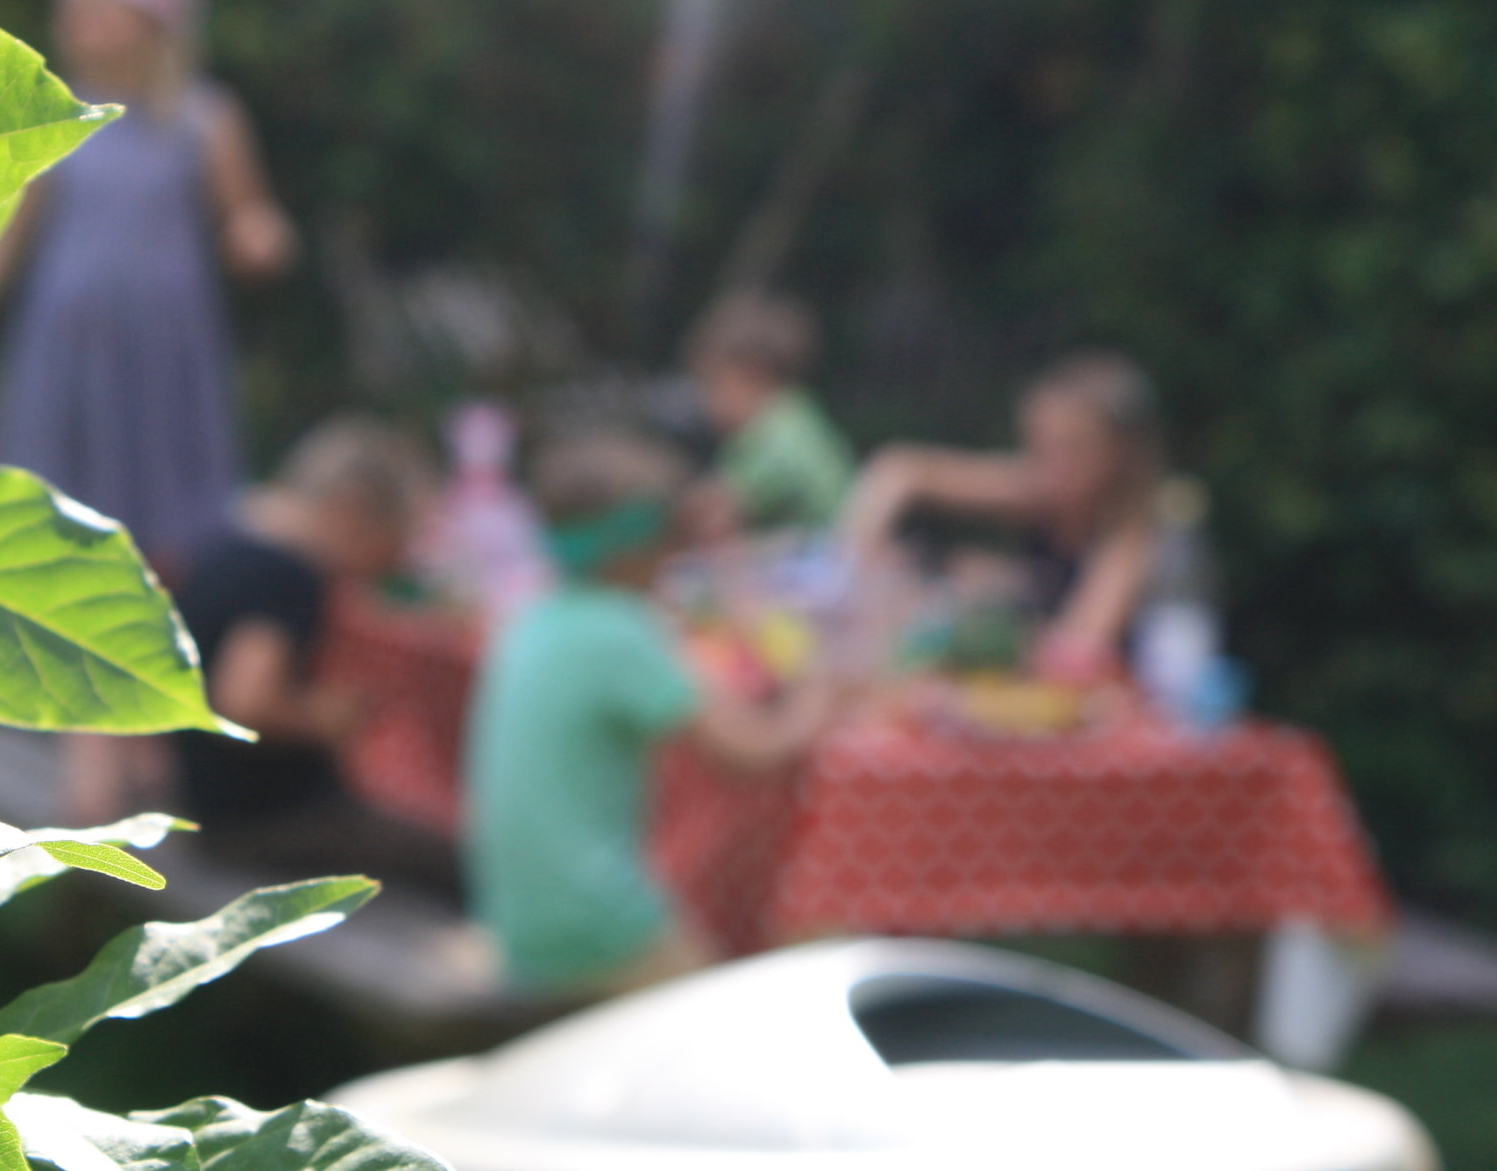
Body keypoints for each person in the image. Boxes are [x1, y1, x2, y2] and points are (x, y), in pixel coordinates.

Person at [0, 0, 295, 572]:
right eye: (75, 12)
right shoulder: (54, 122)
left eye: (102, 12)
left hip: (161, 345)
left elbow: (251, 212)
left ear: (150, 24)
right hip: (69, 345)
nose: (83, 25)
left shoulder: (203, 118)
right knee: (51, 513)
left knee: (167, 516)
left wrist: (260, 237)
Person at [466, 427, 833, 998]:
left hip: (520, 923)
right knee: (722, 1025)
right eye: (670, 539)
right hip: (595, 928)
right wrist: (820, 692)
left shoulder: (534, 617)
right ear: (638, 547)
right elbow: (751, 752)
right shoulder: (621, 631)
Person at [166, 416, 459, 896]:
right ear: (352, 512)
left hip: (205, 807)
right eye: (396, 538)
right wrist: (325, 717)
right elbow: (243, 701)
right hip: (260, 823)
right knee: (448, 856)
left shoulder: (232, 542)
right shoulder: (287, 575)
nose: (395, 561)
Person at [840, 350, 1168, 684]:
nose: (1052, 468)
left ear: (1120, 457)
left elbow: (1075, 649)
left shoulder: (1131, 533)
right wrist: (854, 563)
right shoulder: (1041, 486)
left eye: (1072, 449)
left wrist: (980, 606)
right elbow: (899, 470)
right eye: (1040, 447)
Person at [684, 290, 855, 536]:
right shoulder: (801, 416)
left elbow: (714, 507)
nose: (706, 403)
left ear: (753, 372)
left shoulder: (777, 433)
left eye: (712, 384)